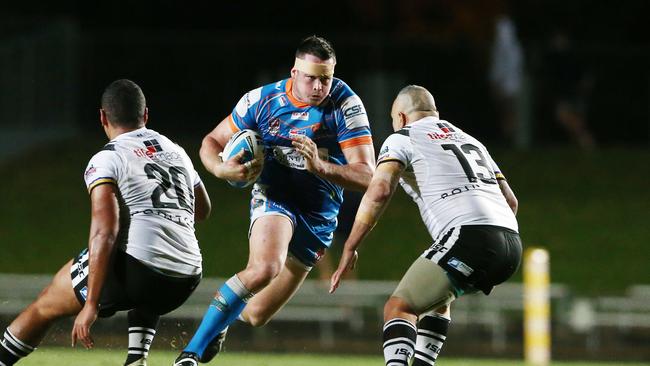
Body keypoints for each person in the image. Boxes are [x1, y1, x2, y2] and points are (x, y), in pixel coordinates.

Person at [174, 35, 375, 366]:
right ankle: (190, 354)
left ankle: (222, 322)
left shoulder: (345, 105)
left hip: (319, 215)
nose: (318, 87)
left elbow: (368, 176)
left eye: (326, 78)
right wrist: (222, 170)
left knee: (255, 314)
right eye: (310, 78)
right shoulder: (261, 101)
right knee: (265, 267)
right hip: (274, 197)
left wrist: (321, 167)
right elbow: (211, 141)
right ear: (294, 73)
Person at [0, 79, 211, 366]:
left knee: (45, 304)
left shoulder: (108, 158)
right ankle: (136, 358)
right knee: (144, 246)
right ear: (145, 114)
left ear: (102, 117)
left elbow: (103, 233)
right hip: (186, 277)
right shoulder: (176, 150)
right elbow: (202, 209)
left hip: (142, 273)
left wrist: (91, 305)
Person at [330, 85, 521, 366]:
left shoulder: (403, 137)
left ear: (402, 118)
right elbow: (511, 202)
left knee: (399, 307)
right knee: (437, 302)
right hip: (511, 245)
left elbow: (380, 190)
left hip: (470, 235)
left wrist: (351, 244)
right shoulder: (471, 140)